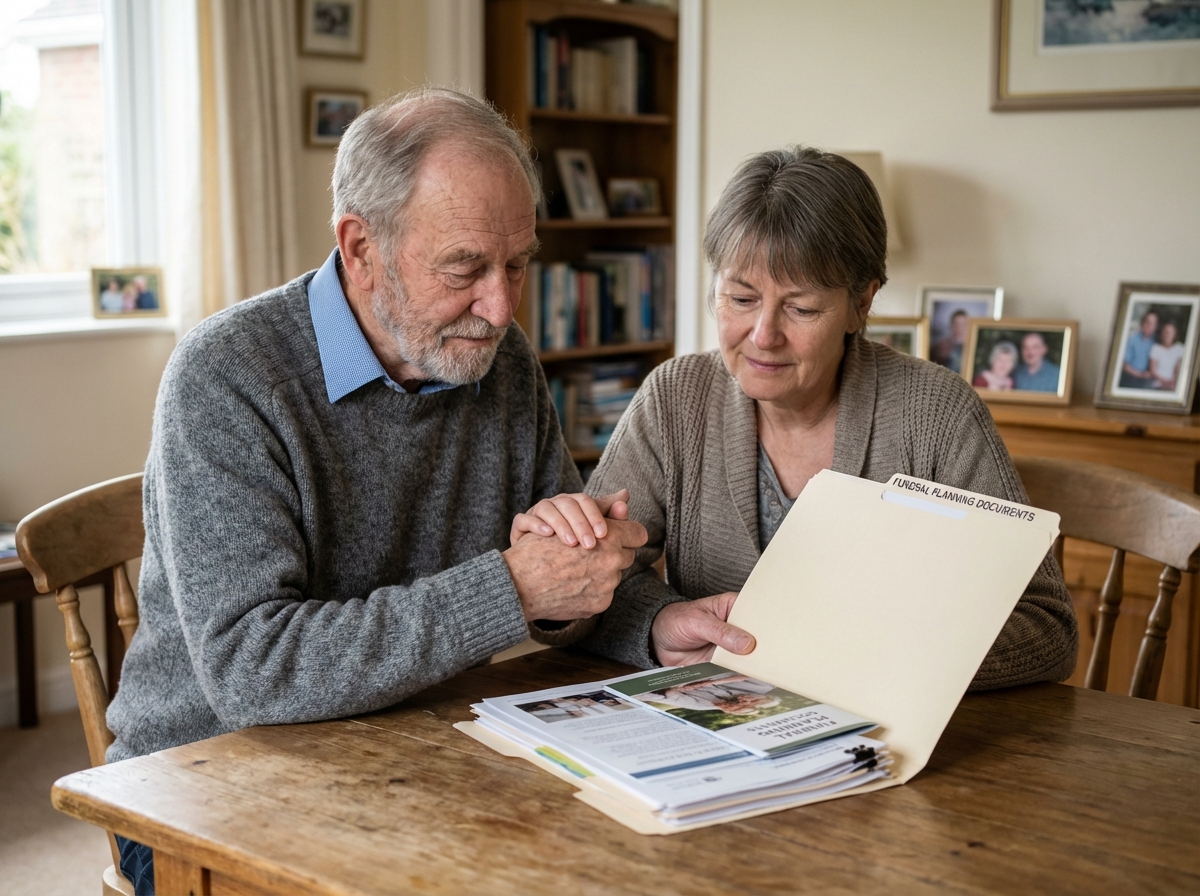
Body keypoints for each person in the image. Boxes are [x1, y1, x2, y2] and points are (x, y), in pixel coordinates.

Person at [107, 87, 646, 896]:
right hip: (202, 787)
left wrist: (648, 616)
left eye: (518, 265)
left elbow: (560, 583)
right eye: (464, 268)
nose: (500, 307)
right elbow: (253, 669)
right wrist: (510, 585)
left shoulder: (498, 359)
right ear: (360, 247)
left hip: (411, 748)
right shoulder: (227, 377)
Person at [514, 146, 1077, 692]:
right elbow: (588, 591)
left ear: (863, 303)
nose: (763, 335)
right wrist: (658, 623)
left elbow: (1045, 627)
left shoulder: (936, 415)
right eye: (739, 299)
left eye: (802, 308)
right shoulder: (675, 399)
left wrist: (867, 657)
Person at [650, 674, 779, 715]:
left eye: (746, 703)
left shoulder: (703, 705)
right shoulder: (764, 687)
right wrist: (711, 682)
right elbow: (743, 674)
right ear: (766, 696)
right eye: (756, 700)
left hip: (655, 687)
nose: (747, 700)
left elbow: (669, 693)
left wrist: (689, 686)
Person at [1120, 310, 1159, 389]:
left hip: (1147, 379)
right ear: (1142, 323)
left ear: (1155, 327)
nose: (1150, 326)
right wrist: (1140, 375)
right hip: (1130, 377)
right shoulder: (1132, 339)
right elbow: (1124, 365)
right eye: (1148, 322)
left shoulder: (1155, 342)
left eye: (1153, 324)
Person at [1149, 321, 1185, 391]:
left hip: (1174, 385)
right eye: (1165, 332)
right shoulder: (1156, 348)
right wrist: (1165, 382)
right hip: (1157, 385)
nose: (1167, 334)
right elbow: (1152, 370)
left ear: (1174, 334)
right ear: (1161, 334)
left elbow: (1179, 369)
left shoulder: (1180, 348)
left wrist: (1173, 382)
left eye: (1170, 332)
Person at [931, 309, 969, 373]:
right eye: (956, 324)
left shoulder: (973, 347)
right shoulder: (941, 345)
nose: (959, 328)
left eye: (963, 325)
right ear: (951, 326)